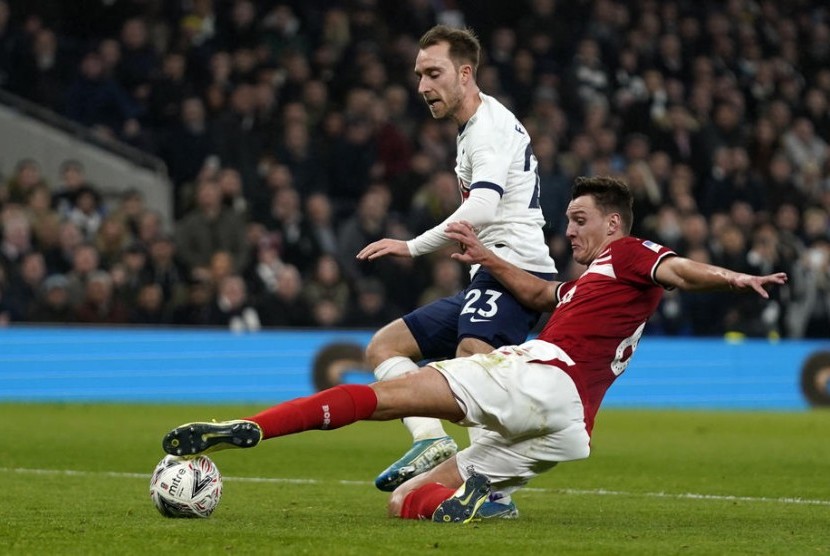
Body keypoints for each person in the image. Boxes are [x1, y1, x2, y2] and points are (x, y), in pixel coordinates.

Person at [161, 176, 788, 523]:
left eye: (578, 219)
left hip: (541, 379)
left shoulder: (628, 254)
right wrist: (490, 257)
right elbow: (543, 293)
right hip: (569, 430)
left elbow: (677, 270)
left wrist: (731, 276)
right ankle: (475, 502)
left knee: (385, 396)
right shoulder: (591, 284)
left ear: (613, 224)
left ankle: (250, 428)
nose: (568, 230)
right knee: (403, 503)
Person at [354, 24, 557, 503]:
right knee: (385, 348)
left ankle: (493, 493)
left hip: (512, 268)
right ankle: (429, 439)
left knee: (472, 371)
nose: (423, 86)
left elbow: (484, 206)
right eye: (420, 75)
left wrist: (412, 246)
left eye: (434, 73)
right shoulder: (476, 125)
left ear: (465, 74)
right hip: (488, 271)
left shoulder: (485, 129)